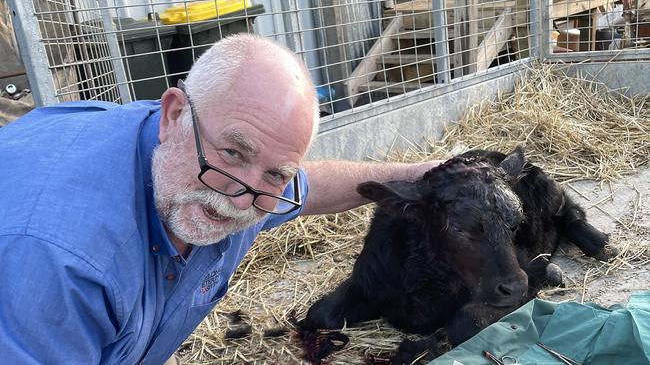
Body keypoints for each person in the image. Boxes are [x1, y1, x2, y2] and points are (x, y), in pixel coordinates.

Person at [0, 34, 439, 364]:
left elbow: (309, 186)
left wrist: (423, 175)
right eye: (232, 152)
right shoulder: (58, 259)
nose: (241, 197)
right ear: (174, 114)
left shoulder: (213, 173)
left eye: (274, 174)